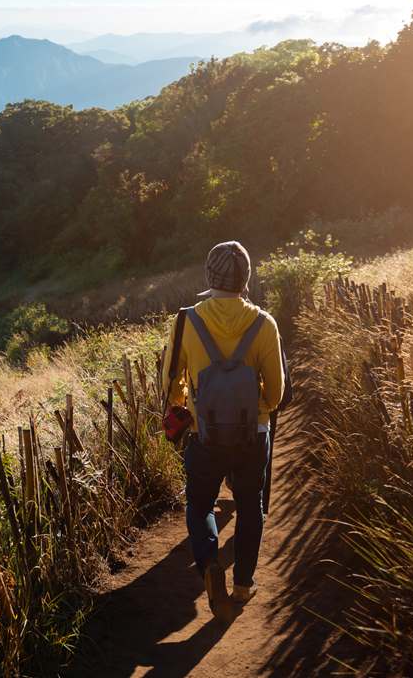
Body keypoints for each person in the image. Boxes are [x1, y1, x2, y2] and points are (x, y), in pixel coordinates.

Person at [165, 240, 285, 622]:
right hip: (254, 436)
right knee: (252, 506)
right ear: (246, 277)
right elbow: (277, 393)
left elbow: (172, 384)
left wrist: (186, 409)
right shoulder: (265, 324)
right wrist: (255, 407)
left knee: (200, 505)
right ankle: (244, 584)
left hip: (205, 436)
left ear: (208, 275)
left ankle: (209, 565)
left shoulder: (186, 320)